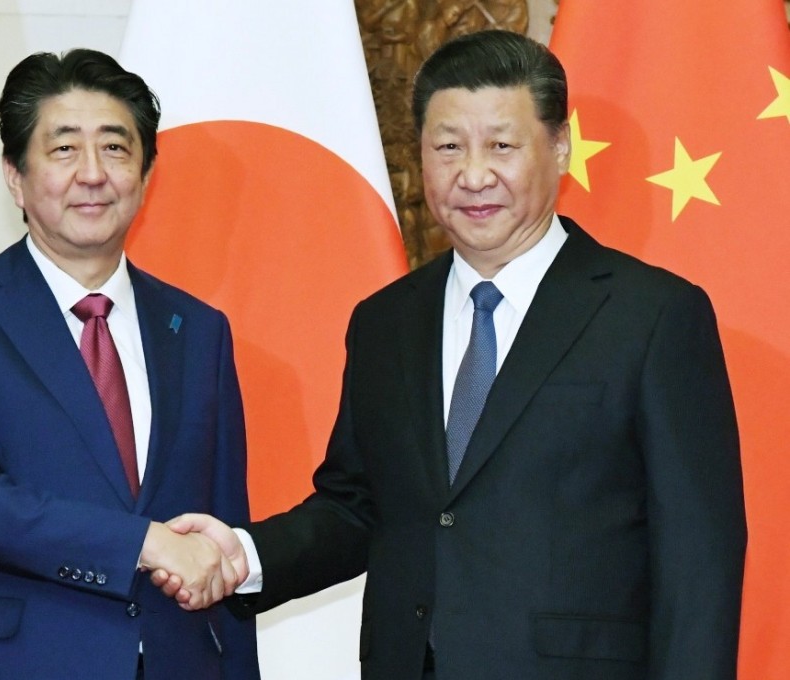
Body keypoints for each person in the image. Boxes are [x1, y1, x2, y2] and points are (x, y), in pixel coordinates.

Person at [156, 30, 746, 679]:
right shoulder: (386, 321)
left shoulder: (652, 316)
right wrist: (243, 554)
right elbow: (358, 507)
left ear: (559, 145)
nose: (473, 175)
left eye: (501, 145)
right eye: (448, 147)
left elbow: (699, 558)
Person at [0, 49, 258, 680]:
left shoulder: (199, 330)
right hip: (14, 663)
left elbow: (222, 534)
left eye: (115, 148)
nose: (92, 174)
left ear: (145, 174)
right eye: (64, 149)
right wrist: (143, 543)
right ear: (15, 175)